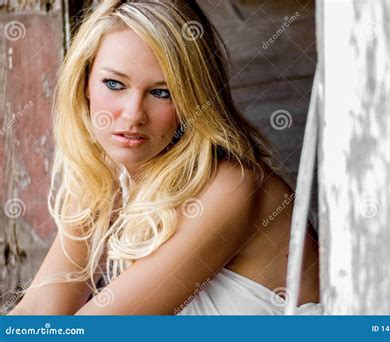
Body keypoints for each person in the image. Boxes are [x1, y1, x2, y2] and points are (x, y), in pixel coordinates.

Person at [8, 0, 320, 315]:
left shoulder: (232, 186)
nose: (132, 115)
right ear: (85, 81)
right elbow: (39, 309)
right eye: (114, 84)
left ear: (191, 98)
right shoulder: (106, 173)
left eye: (162, 92)